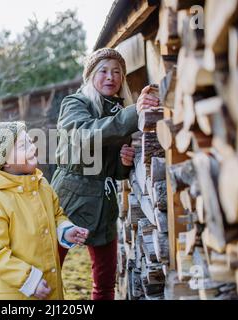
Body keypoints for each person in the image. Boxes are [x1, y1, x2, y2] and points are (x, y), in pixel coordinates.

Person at [50, 47, 159, 300]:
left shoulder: (117, 110)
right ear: (90, 75)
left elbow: (117, 171)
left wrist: (124, 163)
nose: (111, 77)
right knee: (50, 270)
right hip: (70, 197)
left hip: (104, 200)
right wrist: (134, 113)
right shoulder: (75, 103)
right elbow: (85, 135)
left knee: (105, 281)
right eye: (104, 71)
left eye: (117, 72)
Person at [0, 121, 89, 300]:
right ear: (4, 160)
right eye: (23, 146)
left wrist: (65, 229)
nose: (32, 148)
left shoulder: (42, 186)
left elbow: (56, 215)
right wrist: (29, 280)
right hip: (18, 295)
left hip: (51, 288)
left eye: (30, 141)